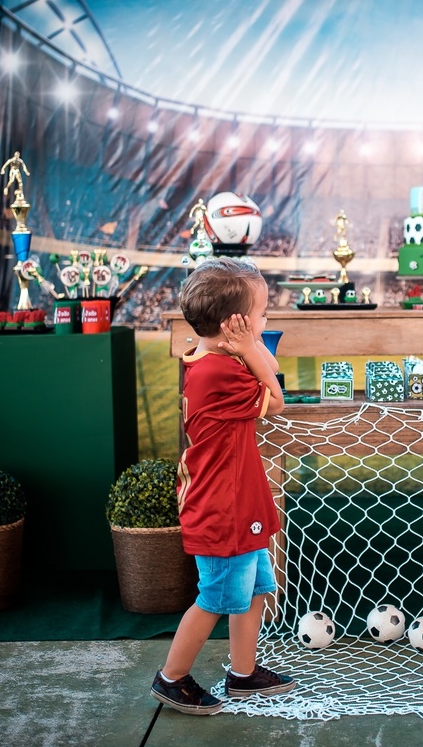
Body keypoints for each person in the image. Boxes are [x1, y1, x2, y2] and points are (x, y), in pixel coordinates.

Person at [151, 257, 293, 716]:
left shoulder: (216, 354)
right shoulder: (223, 372)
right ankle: (171, 678)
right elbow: (277, 400)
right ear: (236, 323)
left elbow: (267, 365)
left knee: (253, 590)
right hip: (222, 506)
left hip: (237, 497)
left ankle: (243, 672)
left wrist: (250, 345)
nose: (265, 319)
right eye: (261, 312)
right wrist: (251, 348)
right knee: (214, 598)